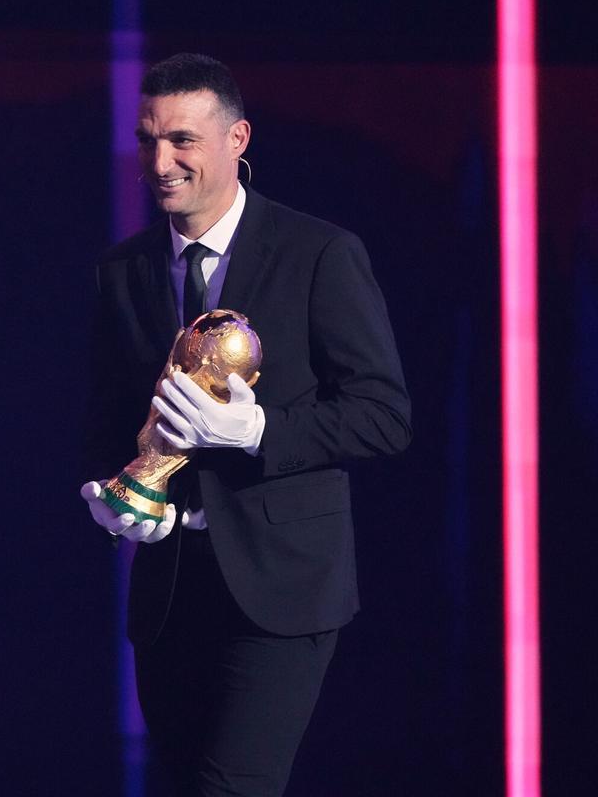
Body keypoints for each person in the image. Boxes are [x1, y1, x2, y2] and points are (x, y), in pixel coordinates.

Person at [81, 53, 411, 796]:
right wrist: (119, 497)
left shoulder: (319, 254)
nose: (160, 162)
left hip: (282, 588)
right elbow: (105, 416)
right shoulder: (123, 271)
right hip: (169, 593)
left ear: (238, 139)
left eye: (182, 141)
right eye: (148, 140)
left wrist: (259, 433)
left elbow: (384, 416)